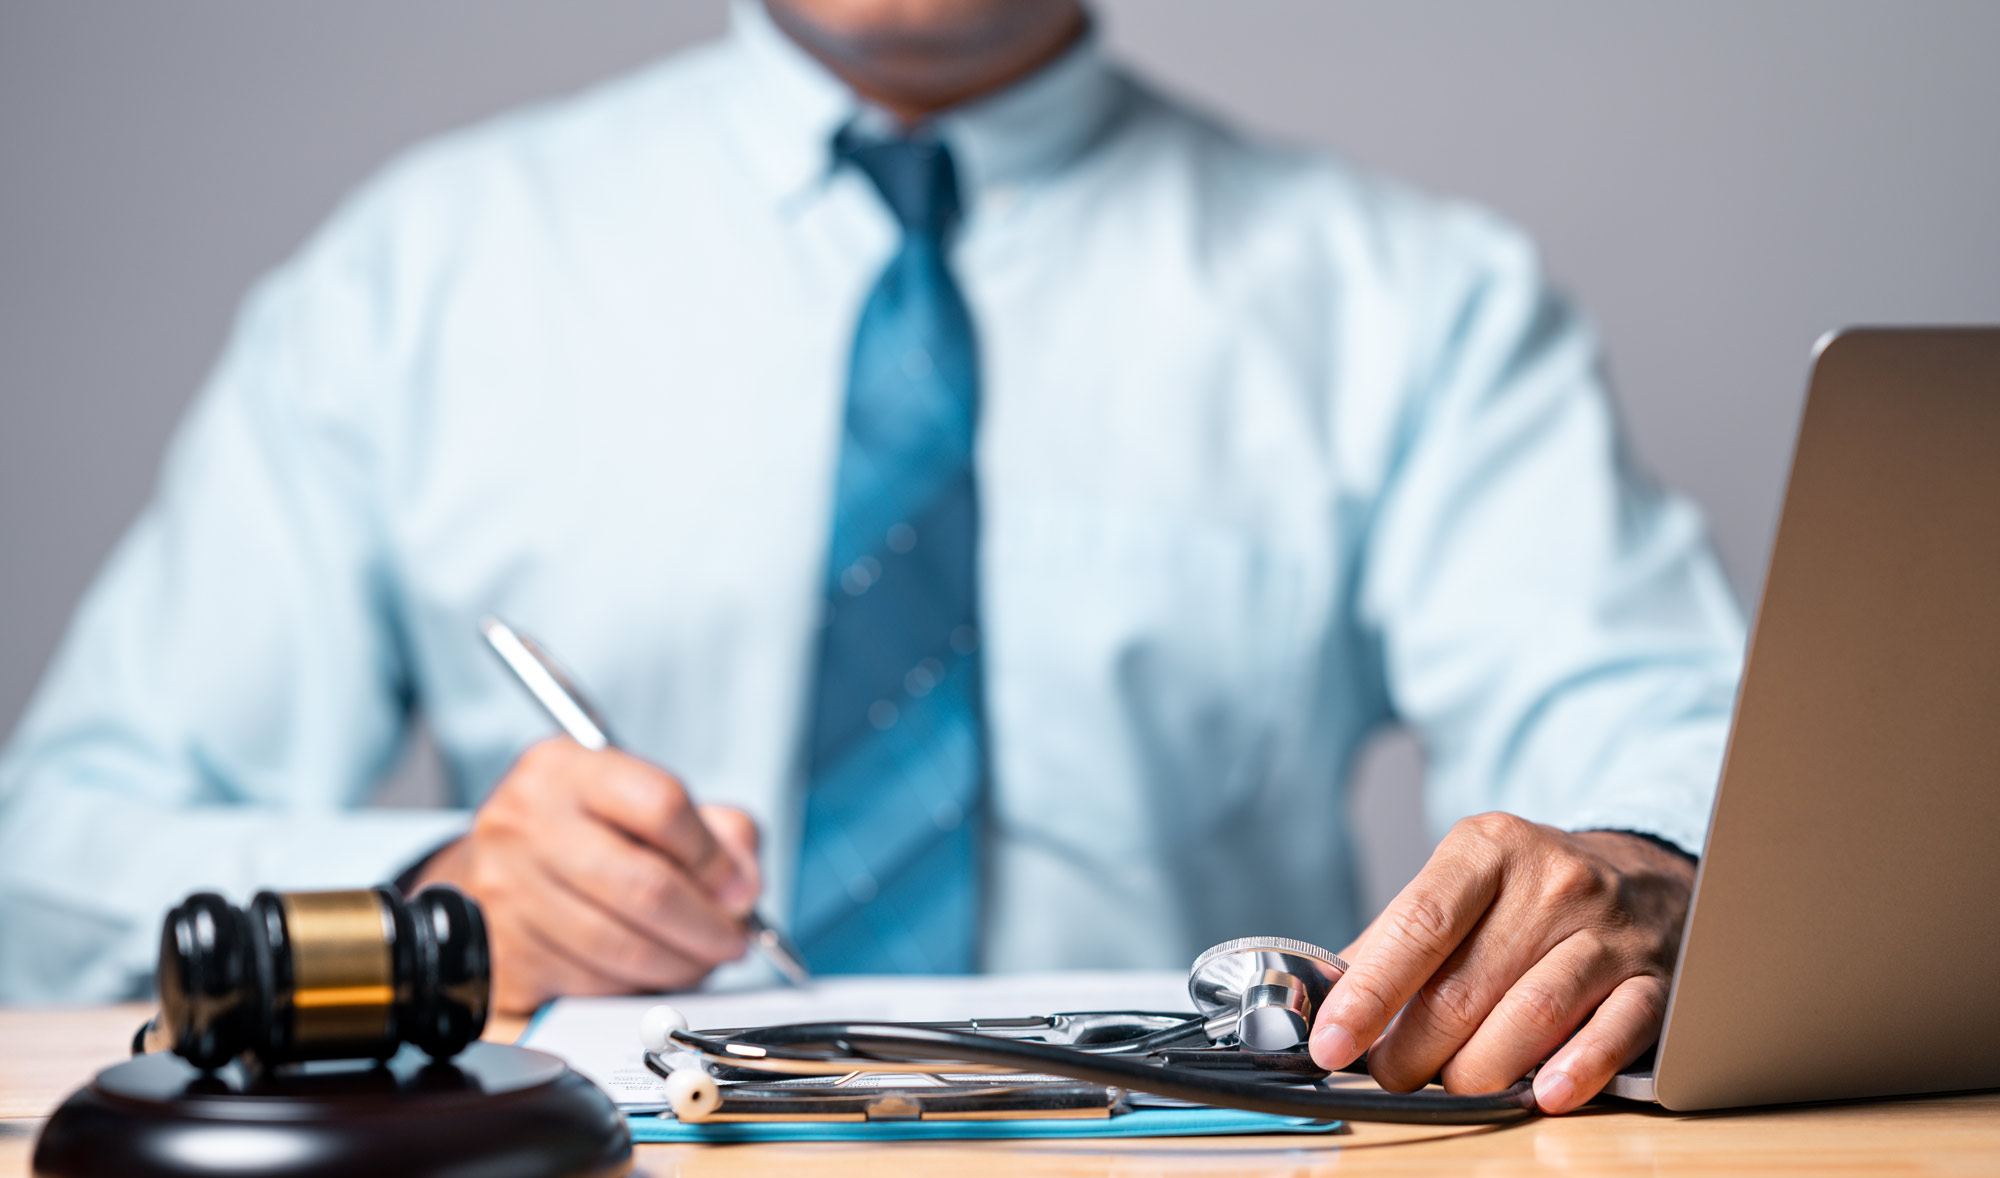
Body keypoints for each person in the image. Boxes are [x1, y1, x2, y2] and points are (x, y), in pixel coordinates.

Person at [0, 0, 1743, 1114]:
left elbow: (1668, 732)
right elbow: (52, 868)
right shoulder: (414, 276)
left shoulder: (1418, 300)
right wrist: (437, 902)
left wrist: (1644, 862)